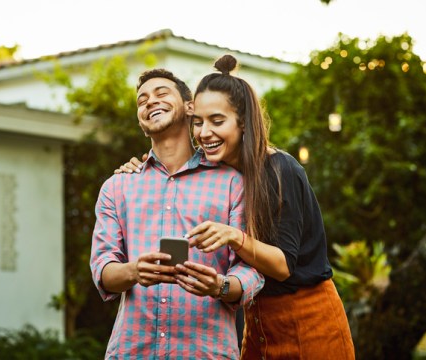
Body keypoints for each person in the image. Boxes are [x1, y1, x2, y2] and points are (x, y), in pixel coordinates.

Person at [116, 54, 355, 359]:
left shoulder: (279, 169)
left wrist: (233, 237)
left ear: (243, 123)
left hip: (307, 315)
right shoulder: (221, 174)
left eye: (218, 121)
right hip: (256, 319)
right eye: (198, 122)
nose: (204, 133)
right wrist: (139, 168)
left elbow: (283, 266)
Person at [89, 68, 264, 359]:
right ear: (141, 121)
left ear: (189, 107)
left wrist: (219, 286)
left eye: (161, 93)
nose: (149, 102)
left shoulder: (232, 183)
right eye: (142, 100)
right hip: (132, 351)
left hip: (206, 352)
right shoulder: (117, 187)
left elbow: (251, 270)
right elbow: (103, 270)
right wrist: (134, 271)